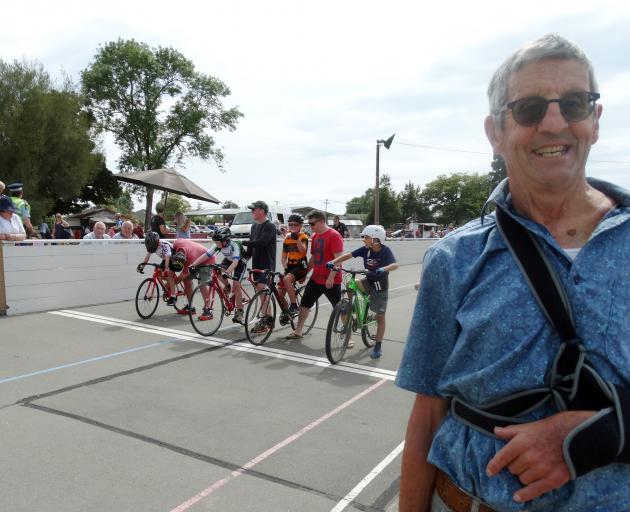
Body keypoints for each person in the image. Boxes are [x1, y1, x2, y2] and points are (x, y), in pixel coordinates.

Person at [397, 34, 630, 512]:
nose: (553, 122)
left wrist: (593, 436)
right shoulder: (454, 258)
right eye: (528, 108)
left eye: (574, 103)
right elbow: (428, 415)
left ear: (595, 120)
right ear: (495, 132)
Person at [326, 225, 398, 358]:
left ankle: (378, 346)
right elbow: (348, 255)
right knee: (351, 283)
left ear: (375, 239)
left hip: (380, 287)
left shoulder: (385, 250)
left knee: (380, 318)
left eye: (366, 237)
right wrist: (333, 261)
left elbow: (395, 265)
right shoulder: (365, 250)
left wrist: (383, 269)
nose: (363, 239)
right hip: (368, 282)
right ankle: (351, 305)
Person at [285, 210, 343, 340]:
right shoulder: (316, 236)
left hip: (331, 281)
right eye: (309, 224)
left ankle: (347, 336)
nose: (310, 227)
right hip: (316, 279)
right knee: (304, 305)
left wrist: (331, 277)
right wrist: (305, 273)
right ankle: (298, 331)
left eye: (312, 224)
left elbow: (339, 260)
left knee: (339, 308)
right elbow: (314, 257)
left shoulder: (334, 235)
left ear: (321, 221)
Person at [190, 227, 246, 322]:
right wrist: (194, 264)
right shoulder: (218, 244)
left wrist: (227, 273)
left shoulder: (234, 245)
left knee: (236, 285)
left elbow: (235, 262)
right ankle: (227, 285)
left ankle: (240, 312)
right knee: (218, 272)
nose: (216, 244)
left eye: (218, 242)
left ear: (225, 240)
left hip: (239, 262)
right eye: (215, 242)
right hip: (229, 260)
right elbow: (206, 255)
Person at [241, 201, 277, 333]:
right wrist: (243, 258)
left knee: (263, 291)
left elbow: (262, 243)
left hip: (267, 264)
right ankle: (265, 320)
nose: (252, 212)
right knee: (260, 293)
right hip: (256, 264)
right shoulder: (254, 227)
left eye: (254, 209)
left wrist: (243, 241)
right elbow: (251, 247)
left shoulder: (270, 226)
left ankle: (267, 321)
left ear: (262, 210)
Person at [169, 238, 215, 315]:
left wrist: (171, 285)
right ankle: (191, 307)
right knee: (186, 280)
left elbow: (183, 275)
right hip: (196, 257)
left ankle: (208, 309)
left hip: (207, 261)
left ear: (185, 260)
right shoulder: (176, 244)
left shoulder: (189, 259)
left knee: (202, 284)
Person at [137, 232, 177, 305]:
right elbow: (147, 257)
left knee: (169, 276)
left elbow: (167, 258)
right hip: (165, 258)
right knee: (157, 273)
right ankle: (166, 286)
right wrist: (142, 266)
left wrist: (166, 270)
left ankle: (173, 297)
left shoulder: (164, 245)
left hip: (173, 258)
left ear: (157, 242)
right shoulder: (151, 246)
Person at [281, 213, 309, 315]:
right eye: (291, 224)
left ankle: (294, 305)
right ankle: (287, 314)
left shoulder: (303, 237)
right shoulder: (287, 238)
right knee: (279, 294)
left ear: (300, 226)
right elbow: (284, 257)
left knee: (287, 279)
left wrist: (296, 239)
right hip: (290, 267)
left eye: (295, 225)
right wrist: (285, 267)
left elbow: (303, 251)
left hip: (300, 266)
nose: (292, 227)